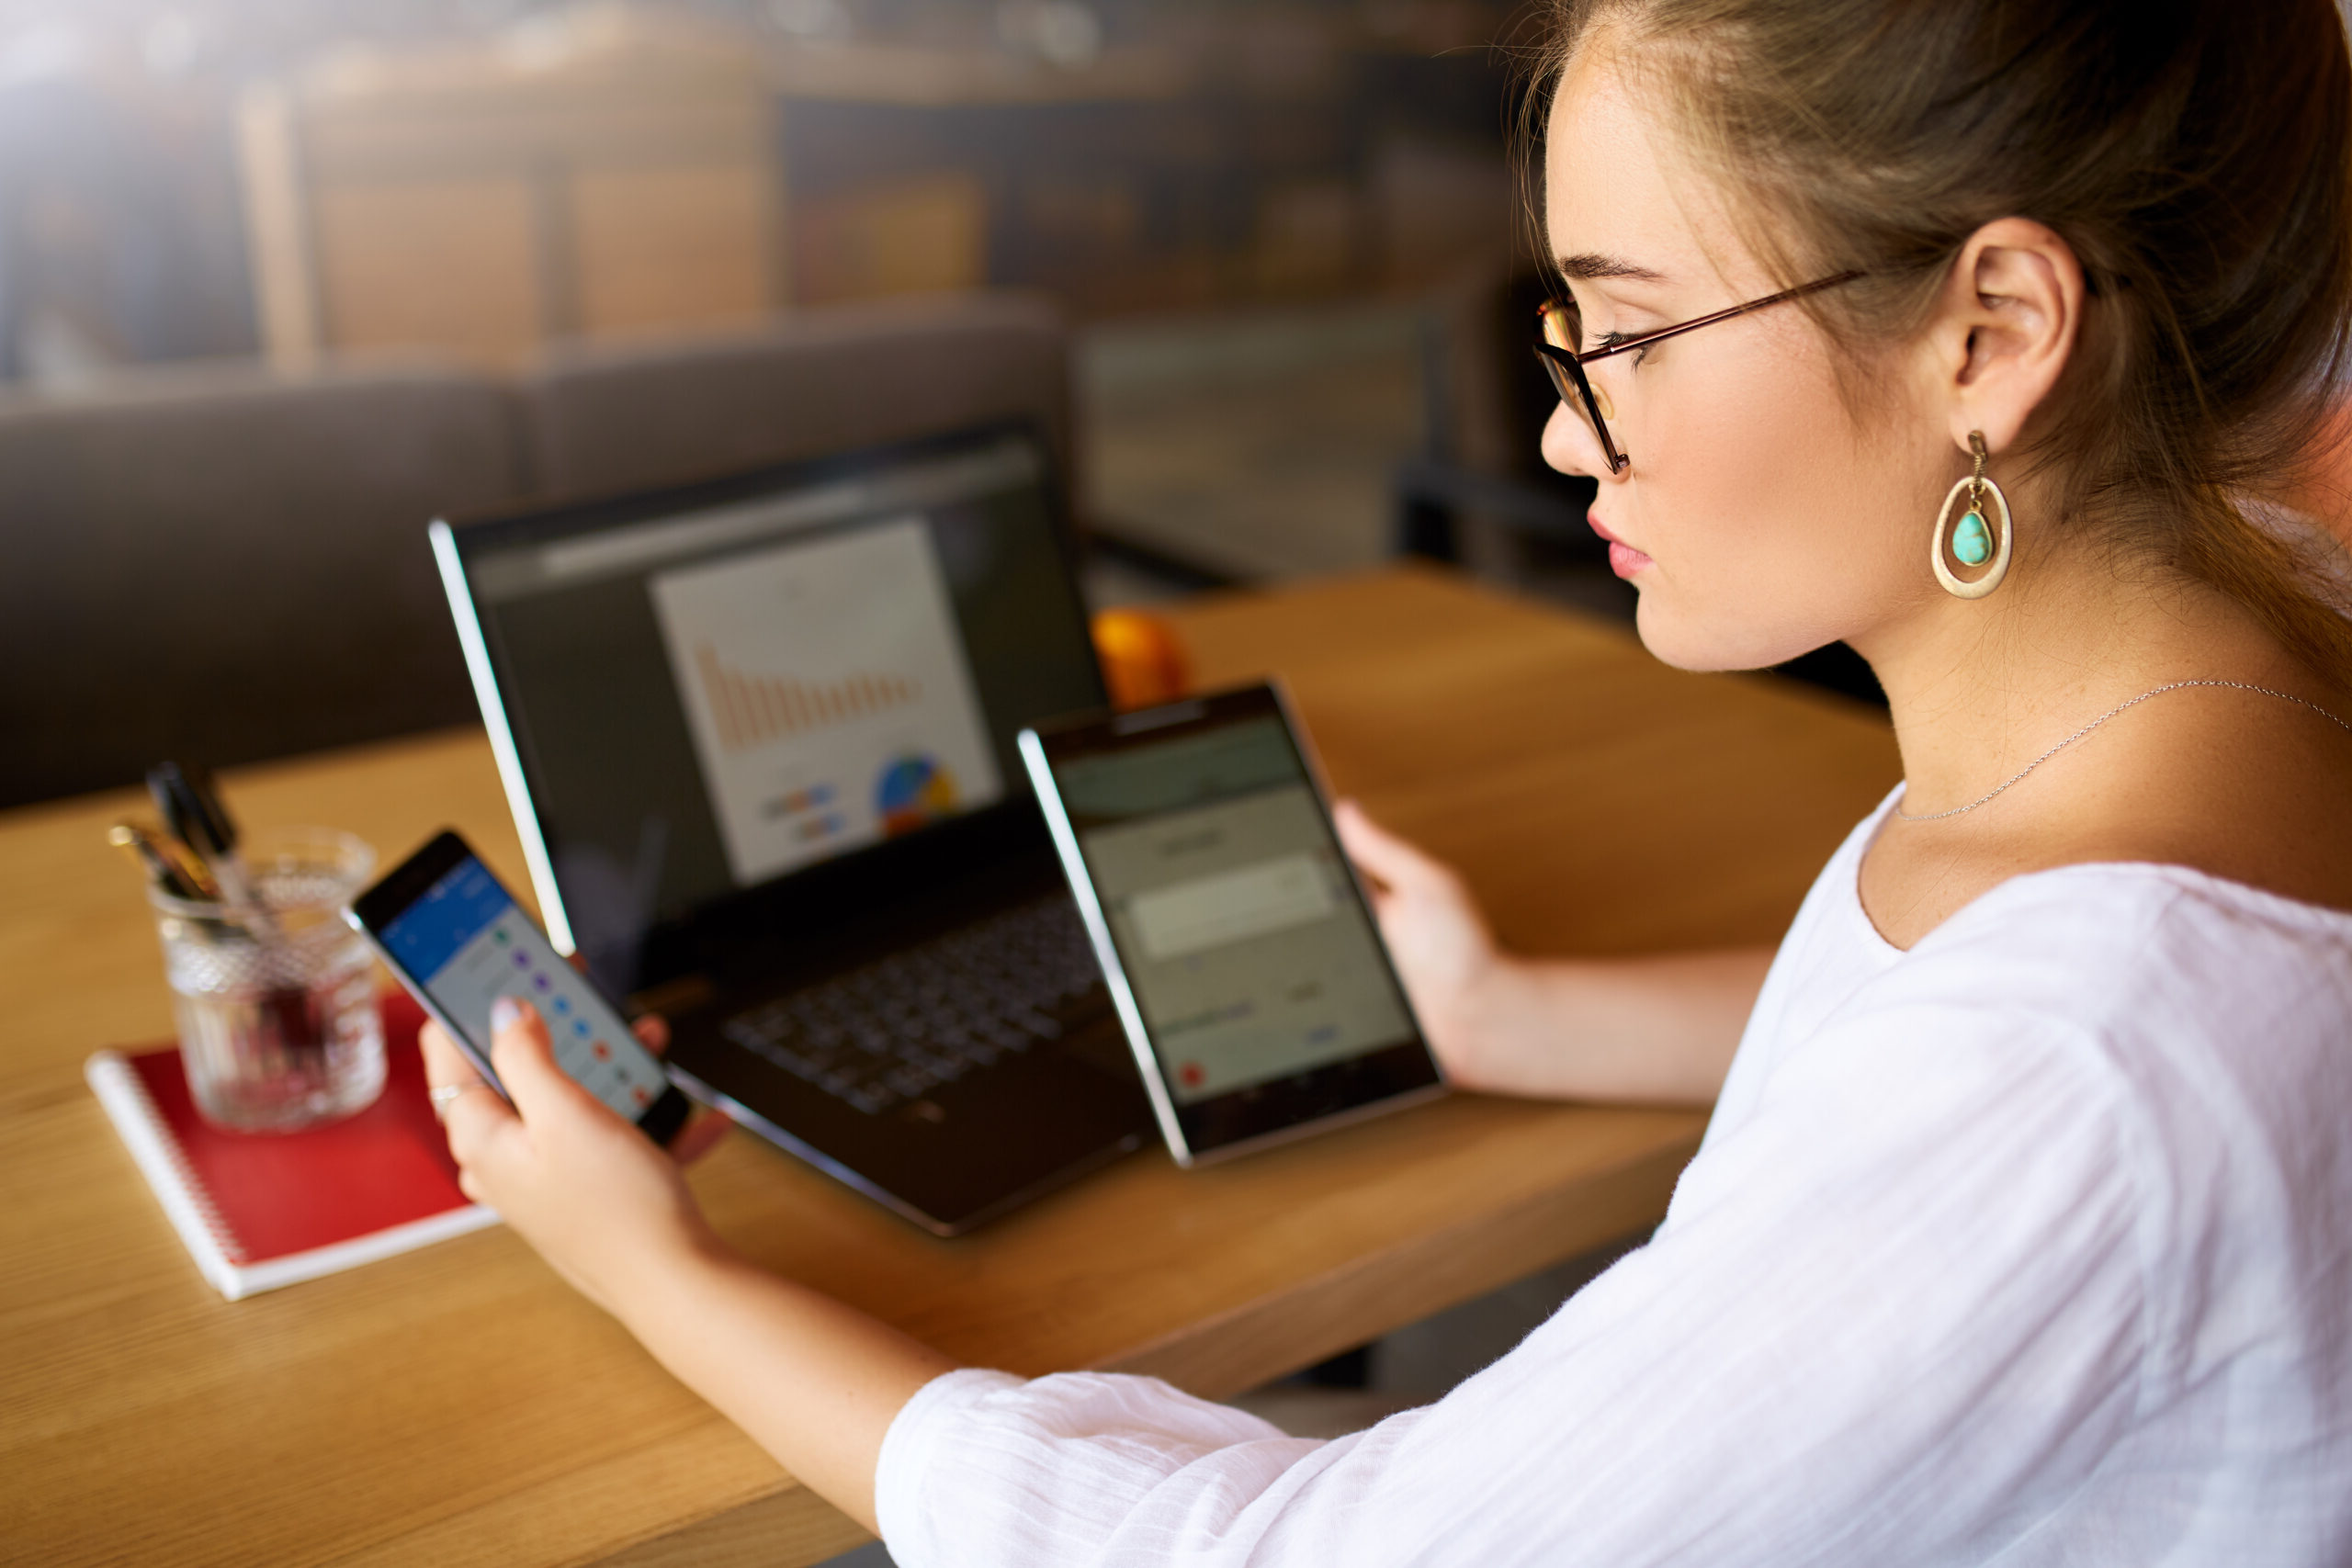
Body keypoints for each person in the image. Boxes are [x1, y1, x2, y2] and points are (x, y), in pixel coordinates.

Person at [420, 0, 2352, 1560]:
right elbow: (1941, 1044)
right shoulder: (2228, 691)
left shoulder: (2081, 1071)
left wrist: (651, 1266)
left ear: (1989, 331)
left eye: (1628, 332)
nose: (1556, 418)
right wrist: (1504, 1008)